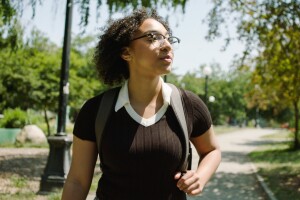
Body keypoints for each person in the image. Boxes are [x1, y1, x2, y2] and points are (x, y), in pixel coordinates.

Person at [62, 8, 221, 200]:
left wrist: (200, 177)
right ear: (126, 53)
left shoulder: (188, 104)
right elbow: (77, 181)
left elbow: (212, 150)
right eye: (153, 37)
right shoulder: (95, 111)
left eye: (169, 38)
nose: (167, 45)